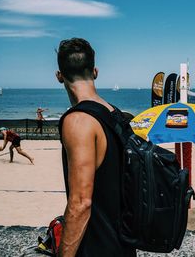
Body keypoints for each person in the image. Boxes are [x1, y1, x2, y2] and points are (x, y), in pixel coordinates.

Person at [56, 38, 135, 256]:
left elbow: (81, 203)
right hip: (124, 244)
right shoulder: (115, 114)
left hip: (98, 248)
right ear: (95, 71)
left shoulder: (79, 121)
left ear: (59, 76)